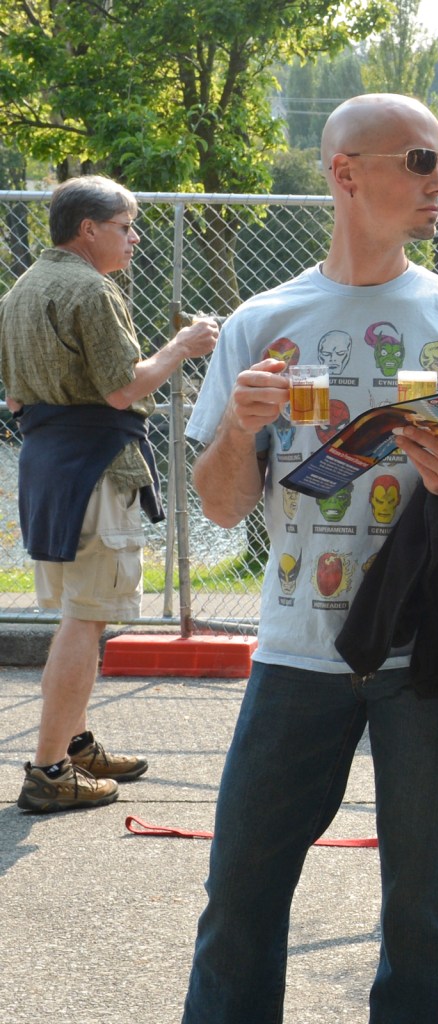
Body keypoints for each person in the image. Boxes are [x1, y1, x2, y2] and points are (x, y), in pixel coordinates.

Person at [181, 93, 438, 1024]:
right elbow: (220, 506)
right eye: (421, 160)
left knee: (428, 904)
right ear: (345, 173)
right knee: (241, 891)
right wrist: (238, 428)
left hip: (428, 649)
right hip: (294, 650)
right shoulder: (262, 321)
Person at [0, 174, 218, 813]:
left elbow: (15, 399)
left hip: (46, 468)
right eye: (126, 227)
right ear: (88, 229)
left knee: (77, 611)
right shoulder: (93, 290)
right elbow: (124, 389)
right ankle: (49, 771)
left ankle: (73, 746)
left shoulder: (20, 289)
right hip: (95, 469)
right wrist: (183, 345)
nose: (135, 238)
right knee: (86, 617)